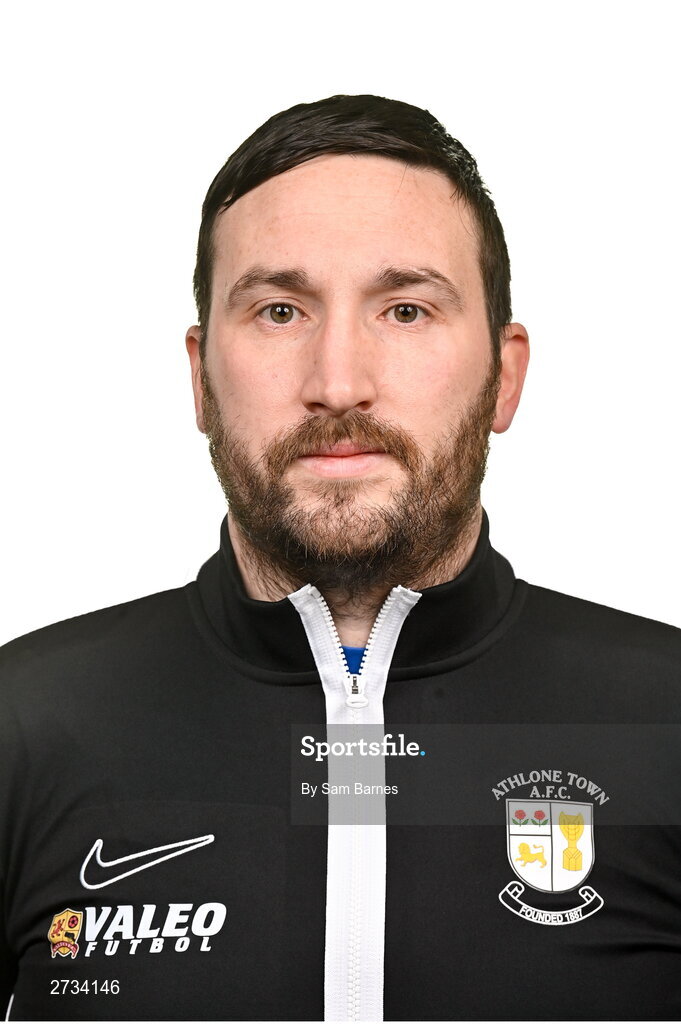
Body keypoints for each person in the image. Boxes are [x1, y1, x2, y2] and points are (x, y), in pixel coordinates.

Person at [1, 93, 680, 1023]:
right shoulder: (25, 724)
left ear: (504, 376)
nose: (337, 383)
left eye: (404, 309)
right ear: (200, 377)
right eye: (280, 310)